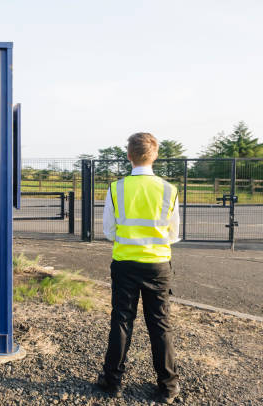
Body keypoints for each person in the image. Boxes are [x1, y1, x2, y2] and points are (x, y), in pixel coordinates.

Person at [96, 133, 181, 404]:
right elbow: (173, 235)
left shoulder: (116, 188)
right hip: (158, 265)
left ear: (129, 155)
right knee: (160, 324)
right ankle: (167, 386)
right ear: (154, 155)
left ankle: (112, 381)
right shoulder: (169, 190)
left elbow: (109, 231)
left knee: (121, 320)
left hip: (125, 263)